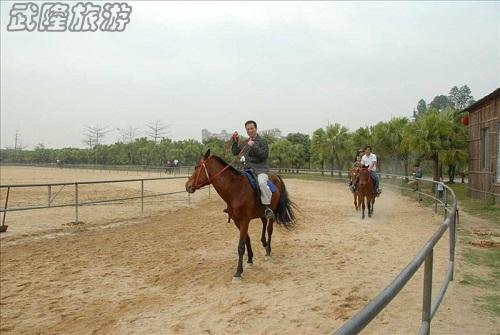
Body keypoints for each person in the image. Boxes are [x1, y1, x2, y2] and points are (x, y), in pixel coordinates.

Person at [231, 120, 274, 220]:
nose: (250, 131)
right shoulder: (245, 142)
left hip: (260, 169)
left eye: (251, 128)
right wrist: (234, 141)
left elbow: (264, 156)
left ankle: (267, 208)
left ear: (256, 128)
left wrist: (253, 146)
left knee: (262, 183)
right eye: (248, 129)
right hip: (247, 169)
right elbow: (235, 152)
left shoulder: (262, 141)